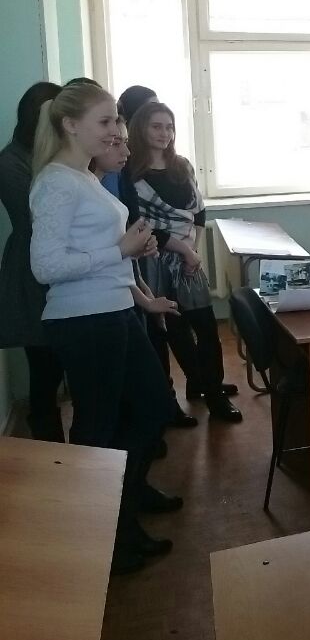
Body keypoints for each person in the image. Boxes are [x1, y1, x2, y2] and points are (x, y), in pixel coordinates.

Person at [29, 81, 178, 574]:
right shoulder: (56, 183)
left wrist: (138, 276)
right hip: (84, 320)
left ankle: (127, 498)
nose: (116, 130)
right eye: (106, 121)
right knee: (99, 429)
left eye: (117, 120)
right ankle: (110, 534)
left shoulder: (86, 177)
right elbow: (46, 266)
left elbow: (106, 254)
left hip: (114, 311)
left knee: (152, 409)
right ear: (70, 125)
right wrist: (120, 249)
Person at [128, 102, 241, 423]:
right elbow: (144, 226)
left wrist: (193, 249)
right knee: (175, 331)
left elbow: (199, 212)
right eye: (156, 126)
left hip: (189, 261)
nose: (164, 133)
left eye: (169, 127)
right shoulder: (132, 174)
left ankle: (210, 389)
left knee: (206, 328)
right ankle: (203, 386)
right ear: (140, 129)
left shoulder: (182, 166)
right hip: (156, 262)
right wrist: (185, 250)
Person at [90, 121, 193, 431]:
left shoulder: (109, 179)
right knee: (105, 408)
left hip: (125, 292)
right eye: (115, 142)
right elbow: (56, 264)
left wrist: (144, 292)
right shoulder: (73, 188)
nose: (126, 151)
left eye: (124, 141)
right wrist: (131, 256)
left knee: (142, 395)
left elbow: (127, 241)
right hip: (96, 307)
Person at [0, 81, 65, 441]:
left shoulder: (51, 155)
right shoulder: (10, 162)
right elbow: (37, 220)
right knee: (44, 364)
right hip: (30, 272)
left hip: (55, 267)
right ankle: (49, 443)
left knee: (58, 361)